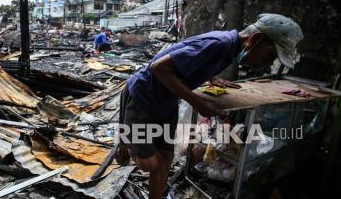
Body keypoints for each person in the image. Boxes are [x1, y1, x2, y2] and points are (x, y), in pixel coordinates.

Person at [116, 14, 303, 199]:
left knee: (166, 158)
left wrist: (213, 78)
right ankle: (124, 142)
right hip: (143, 96)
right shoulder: (219, 44)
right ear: (255, 39)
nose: (269, 62)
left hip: (166, 100)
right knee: (149, 164)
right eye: (271, 55)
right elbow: (159, 68)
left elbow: (193, 61)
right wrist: (200, 105)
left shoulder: (229, 49)